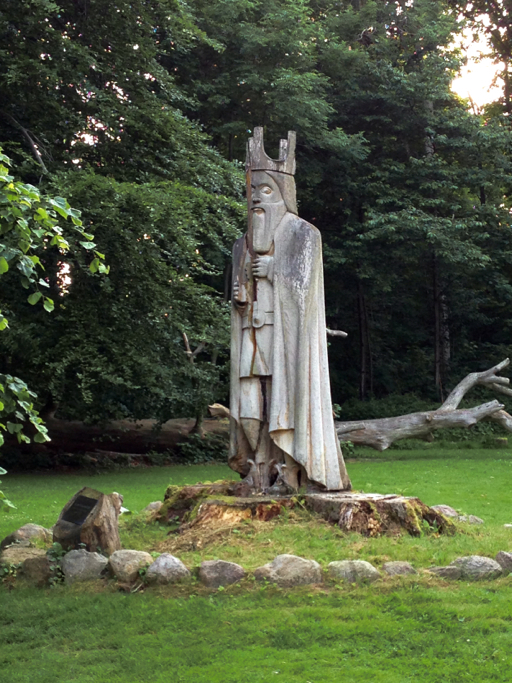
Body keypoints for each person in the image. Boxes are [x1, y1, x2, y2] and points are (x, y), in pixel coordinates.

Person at [229, 127, 351, 493]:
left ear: (284, 193)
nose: (256, 197)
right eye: (252, 190)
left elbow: (306, 293)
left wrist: (273, 271)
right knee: (250, 406)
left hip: (287, 342)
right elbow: (238, 295)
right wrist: (239, 298)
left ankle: (290, 470)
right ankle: (257, 469)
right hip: (252, 336)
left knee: (286, 401)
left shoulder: (304, 235)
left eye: (266, 190)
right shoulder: (241, 245)